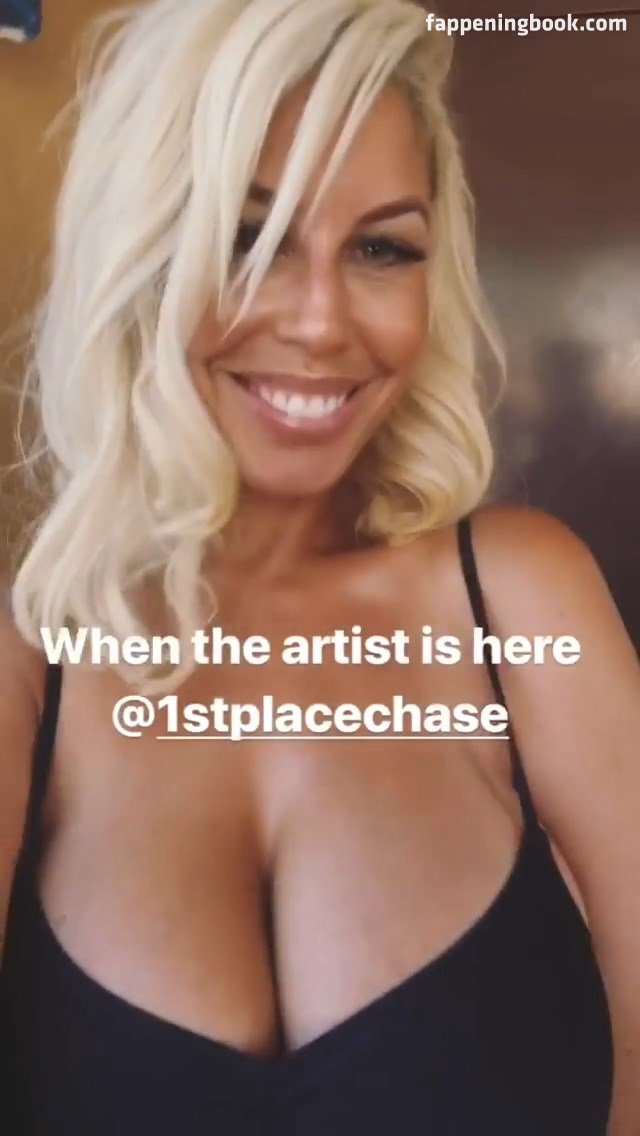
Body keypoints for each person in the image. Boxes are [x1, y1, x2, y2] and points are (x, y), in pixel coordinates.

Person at [1, 1, 639, 1132]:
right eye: (250, 238)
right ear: (139, 255)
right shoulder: (28, 664)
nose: (321, 321)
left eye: (381, 248)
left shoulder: (519, 602)